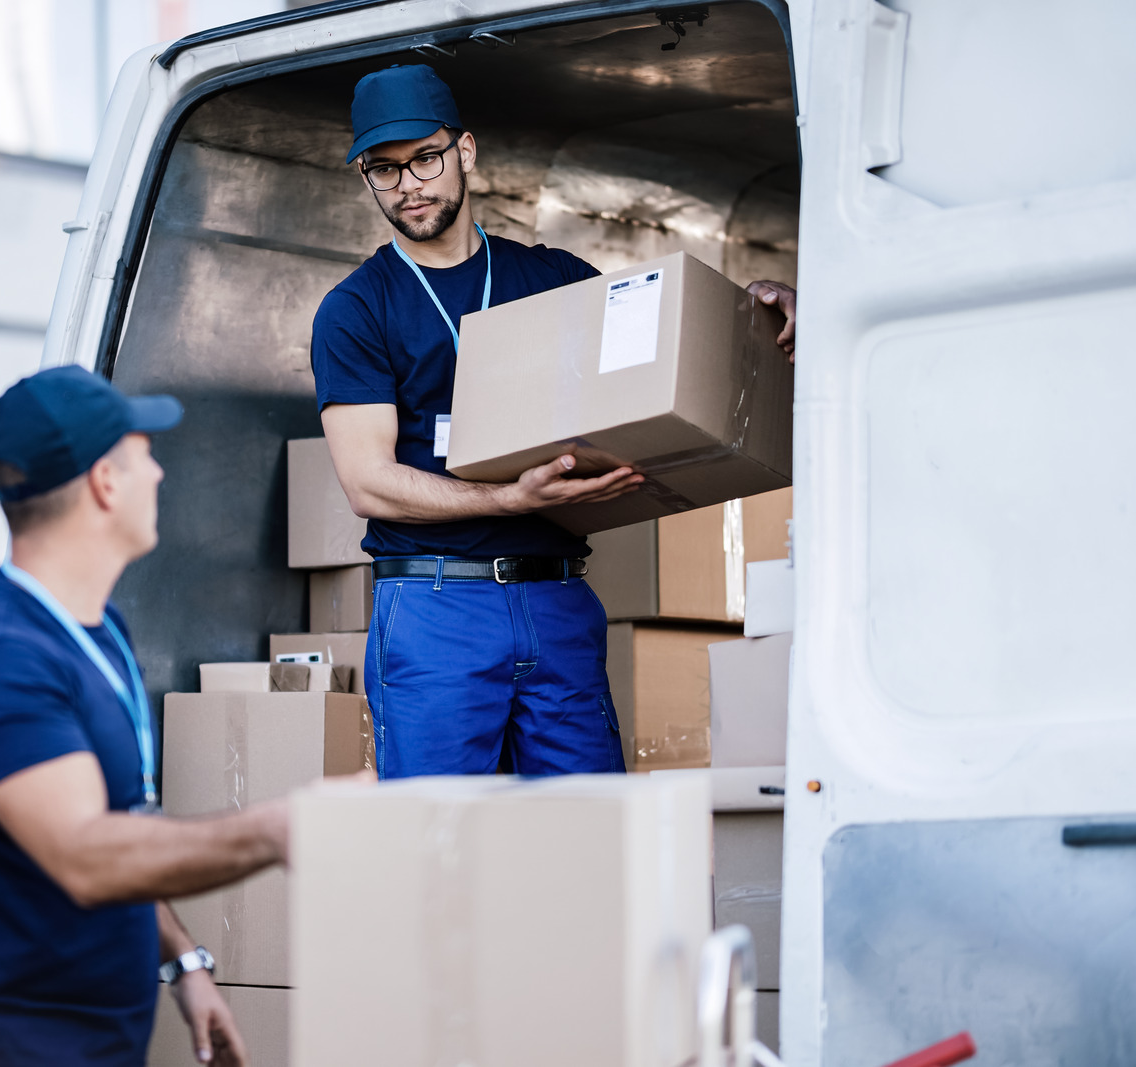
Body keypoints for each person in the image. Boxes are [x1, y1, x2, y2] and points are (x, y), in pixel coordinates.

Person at [311, 65, 797, 779]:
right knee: (438, 846)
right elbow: (368, 483)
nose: (409, 184)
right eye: (385, 170)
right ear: (366, 179)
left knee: (589, 835)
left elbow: (658, 351)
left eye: (425, 158)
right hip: (436, 604)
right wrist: (509, 498)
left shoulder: (554, 279)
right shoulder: (357, 309)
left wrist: (754, 303)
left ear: (465, 151)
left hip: (557, 595)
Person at [0, 366, 289, 1067]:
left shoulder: (97, 631)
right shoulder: (1, 660)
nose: (160, 475)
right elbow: (86, 855)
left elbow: (123, 827)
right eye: (146, 452)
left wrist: (185, 963)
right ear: (104, 483)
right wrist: (277, 828)